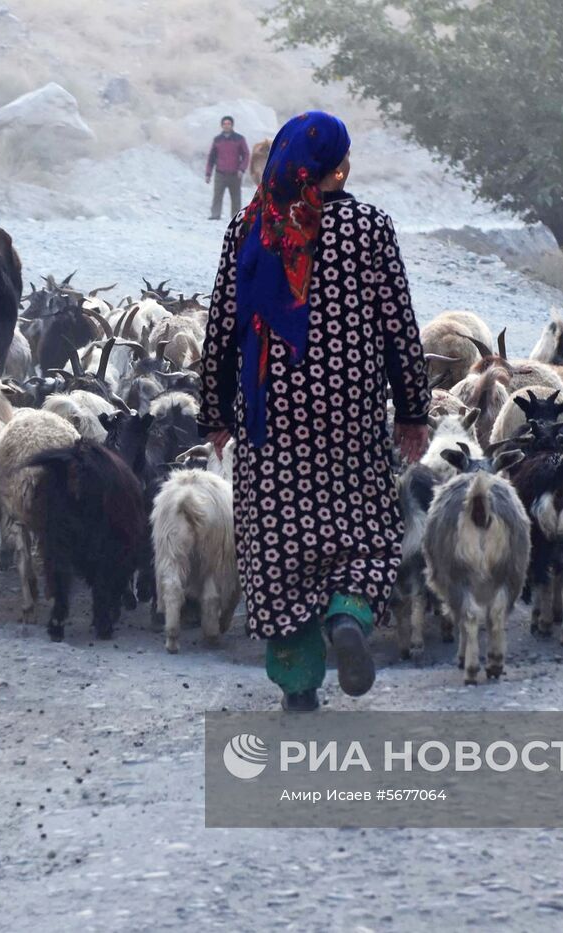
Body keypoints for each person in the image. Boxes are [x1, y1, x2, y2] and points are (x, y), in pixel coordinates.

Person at [198, 111, 430, 712]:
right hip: (349, 409)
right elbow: (399, 326)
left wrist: (215, 412)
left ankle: (298, 685)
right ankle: (348, 614)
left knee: (276, 542)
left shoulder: (250, 229)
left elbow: (223, 326)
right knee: (366, 532)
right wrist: (412, 410)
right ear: (341, 166)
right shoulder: (370, 227)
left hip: (269, 415)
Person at [205, 116, 250, 221]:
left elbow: (246, 155)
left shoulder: (239, 139)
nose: (226, 126)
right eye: (224, 124)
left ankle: (236, 218)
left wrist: (242, 169)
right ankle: (215, 215)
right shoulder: (217, 140)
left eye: (228, 124)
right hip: (220, 173)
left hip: (235, 174)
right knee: (217, 196)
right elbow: (211, 157)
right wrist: (208, 173)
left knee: (236, 197)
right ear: (221, 125)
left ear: (232, 125)